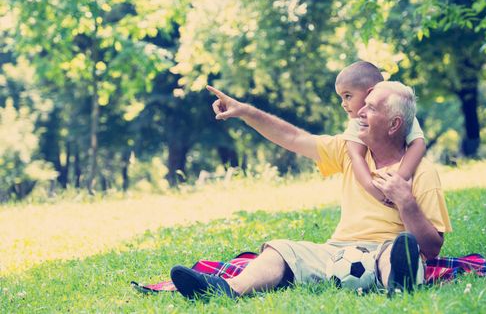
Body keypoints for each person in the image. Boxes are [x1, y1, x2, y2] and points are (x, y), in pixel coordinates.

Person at [170, 67, 452, 300]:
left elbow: (432, 248)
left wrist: (407, 203)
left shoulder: (422, 173)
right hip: (338, 251)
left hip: (384, 249)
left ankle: (400, 285)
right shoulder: (346, 150)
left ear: (394, 125)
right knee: (281, 249)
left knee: (398, 251)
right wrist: (245, 111)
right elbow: (293, 138)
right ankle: (226, 290)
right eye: (362, 105)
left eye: (371, 109)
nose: (358, 114)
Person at [336, 61, 426, 207]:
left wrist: (400, 179)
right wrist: (377, 193)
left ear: (370, 93)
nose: (343, 103)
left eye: (347, 96)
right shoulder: (355, 123)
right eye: (341, 98)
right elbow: (356, 157)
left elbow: (418, 145)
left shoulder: (399, 112)